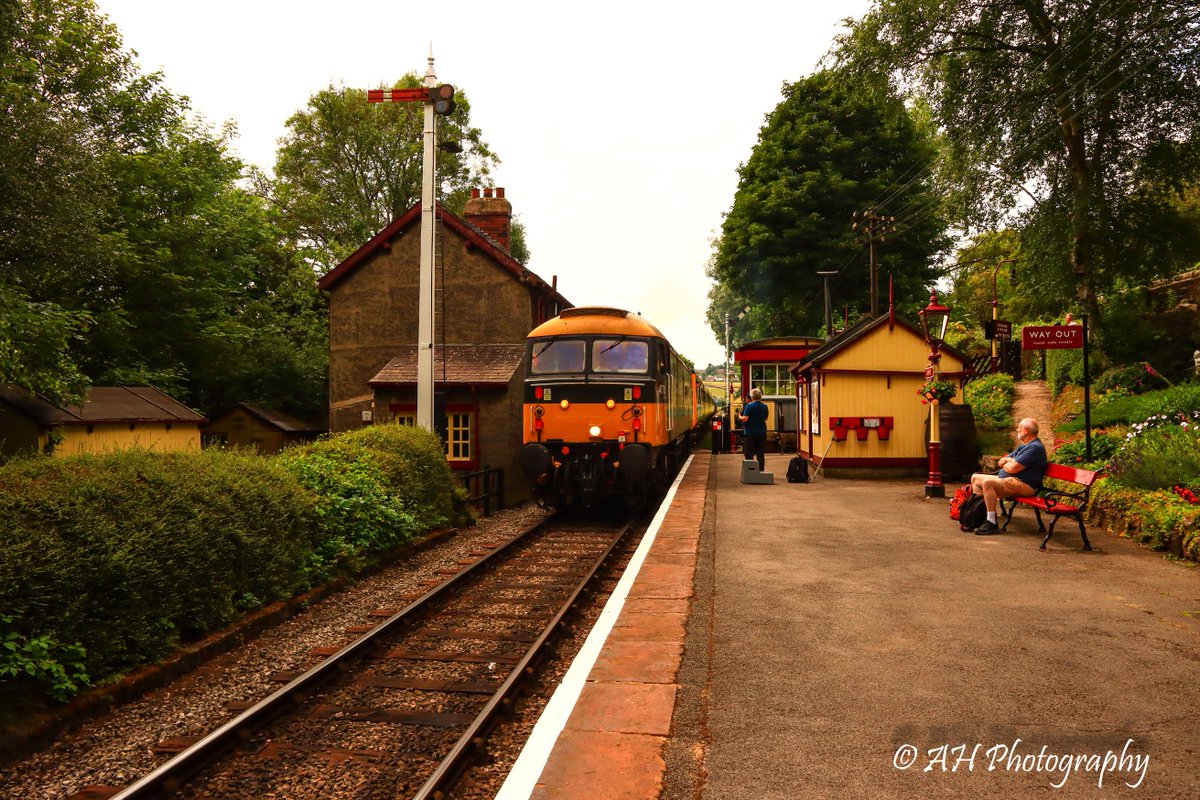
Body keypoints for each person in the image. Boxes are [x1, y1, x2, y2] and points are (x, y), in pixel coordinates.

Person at [969, 417, 1047, 535]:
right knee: (975, 478)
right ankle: (979, 517)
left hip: (1024, 484)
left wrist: (1009, 463)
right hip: (1011, 479)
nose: (1017, 430)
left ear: (1026, 430)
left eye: (1019, 427)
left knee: (988, 483)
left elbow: (1012, 468)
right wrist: (1010, 461)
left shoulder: (1034, 448)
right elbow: (1001, 461)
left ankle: (991, 523)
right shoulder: (1024, 445)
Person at [739, 387, 769, 471]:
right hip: (762, 432)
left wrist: (739, 417)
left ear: (752, 397)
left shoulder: (749, 406)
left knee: (749, 453)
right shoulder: (765, 406)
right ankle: (761, 470)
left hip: (750, 432)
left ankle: (751, 471)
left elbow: (745, 419)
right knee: (760, 453)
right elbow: (766, 418)